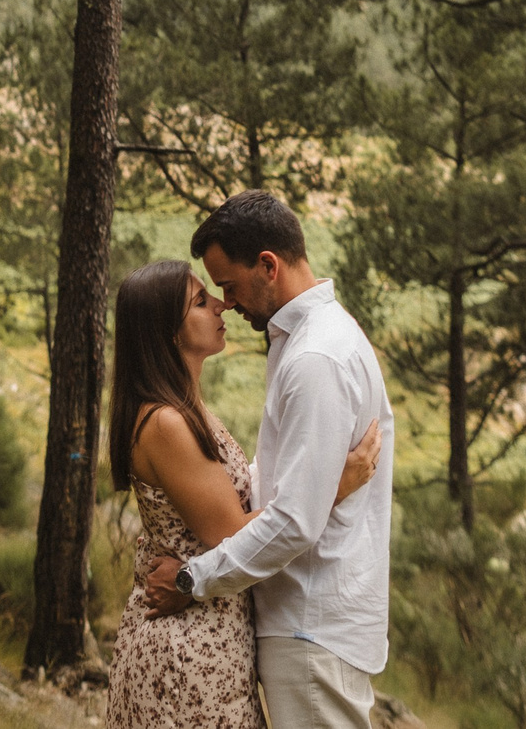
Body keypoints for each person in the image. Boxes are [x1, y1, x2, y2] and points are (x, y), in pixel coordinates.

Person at [141, 190, 396, 729]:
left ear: (268, 266)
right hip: (308, 621)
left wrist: (192, 579)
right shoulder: (307, 340)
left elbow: (295, 520)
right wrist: (330, 485)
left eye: (229, 286)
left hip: (311, 623)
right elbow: (284, 482)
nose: (226, 302)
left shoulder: (315, 358)